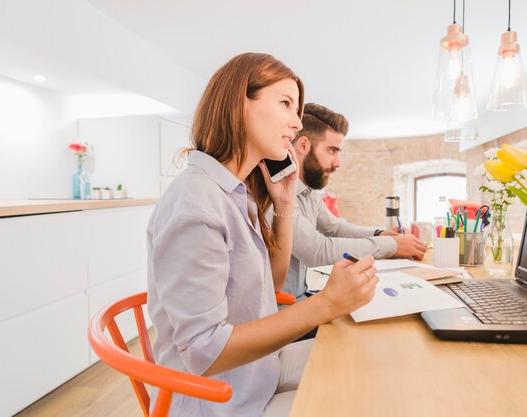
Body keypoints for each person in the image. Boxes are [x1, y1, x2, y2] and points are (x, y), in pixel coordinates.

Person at [146, 53, 378, 417]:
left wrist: (284, 203)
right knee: (357, 401)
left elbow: (270, 285)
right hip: (220, 399)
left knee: (364, 358)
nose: (297, 121)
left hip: (255, 371)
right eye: (286, 103)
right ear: (239, 103)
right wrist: (326, 304)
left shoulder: (236, 192)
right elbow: (206, 350)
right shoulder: (196, 203)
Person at [284, 103, 427, 301]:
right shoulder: (279, 195)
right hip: (282, 311)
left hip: (302, 298)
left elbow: (334, 228)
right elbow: (317, 251)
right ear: (303, 145)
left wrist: (380, 233)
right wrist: (391, 245)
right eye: (332, 151)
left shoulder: (308, 193)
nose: (338, 163)